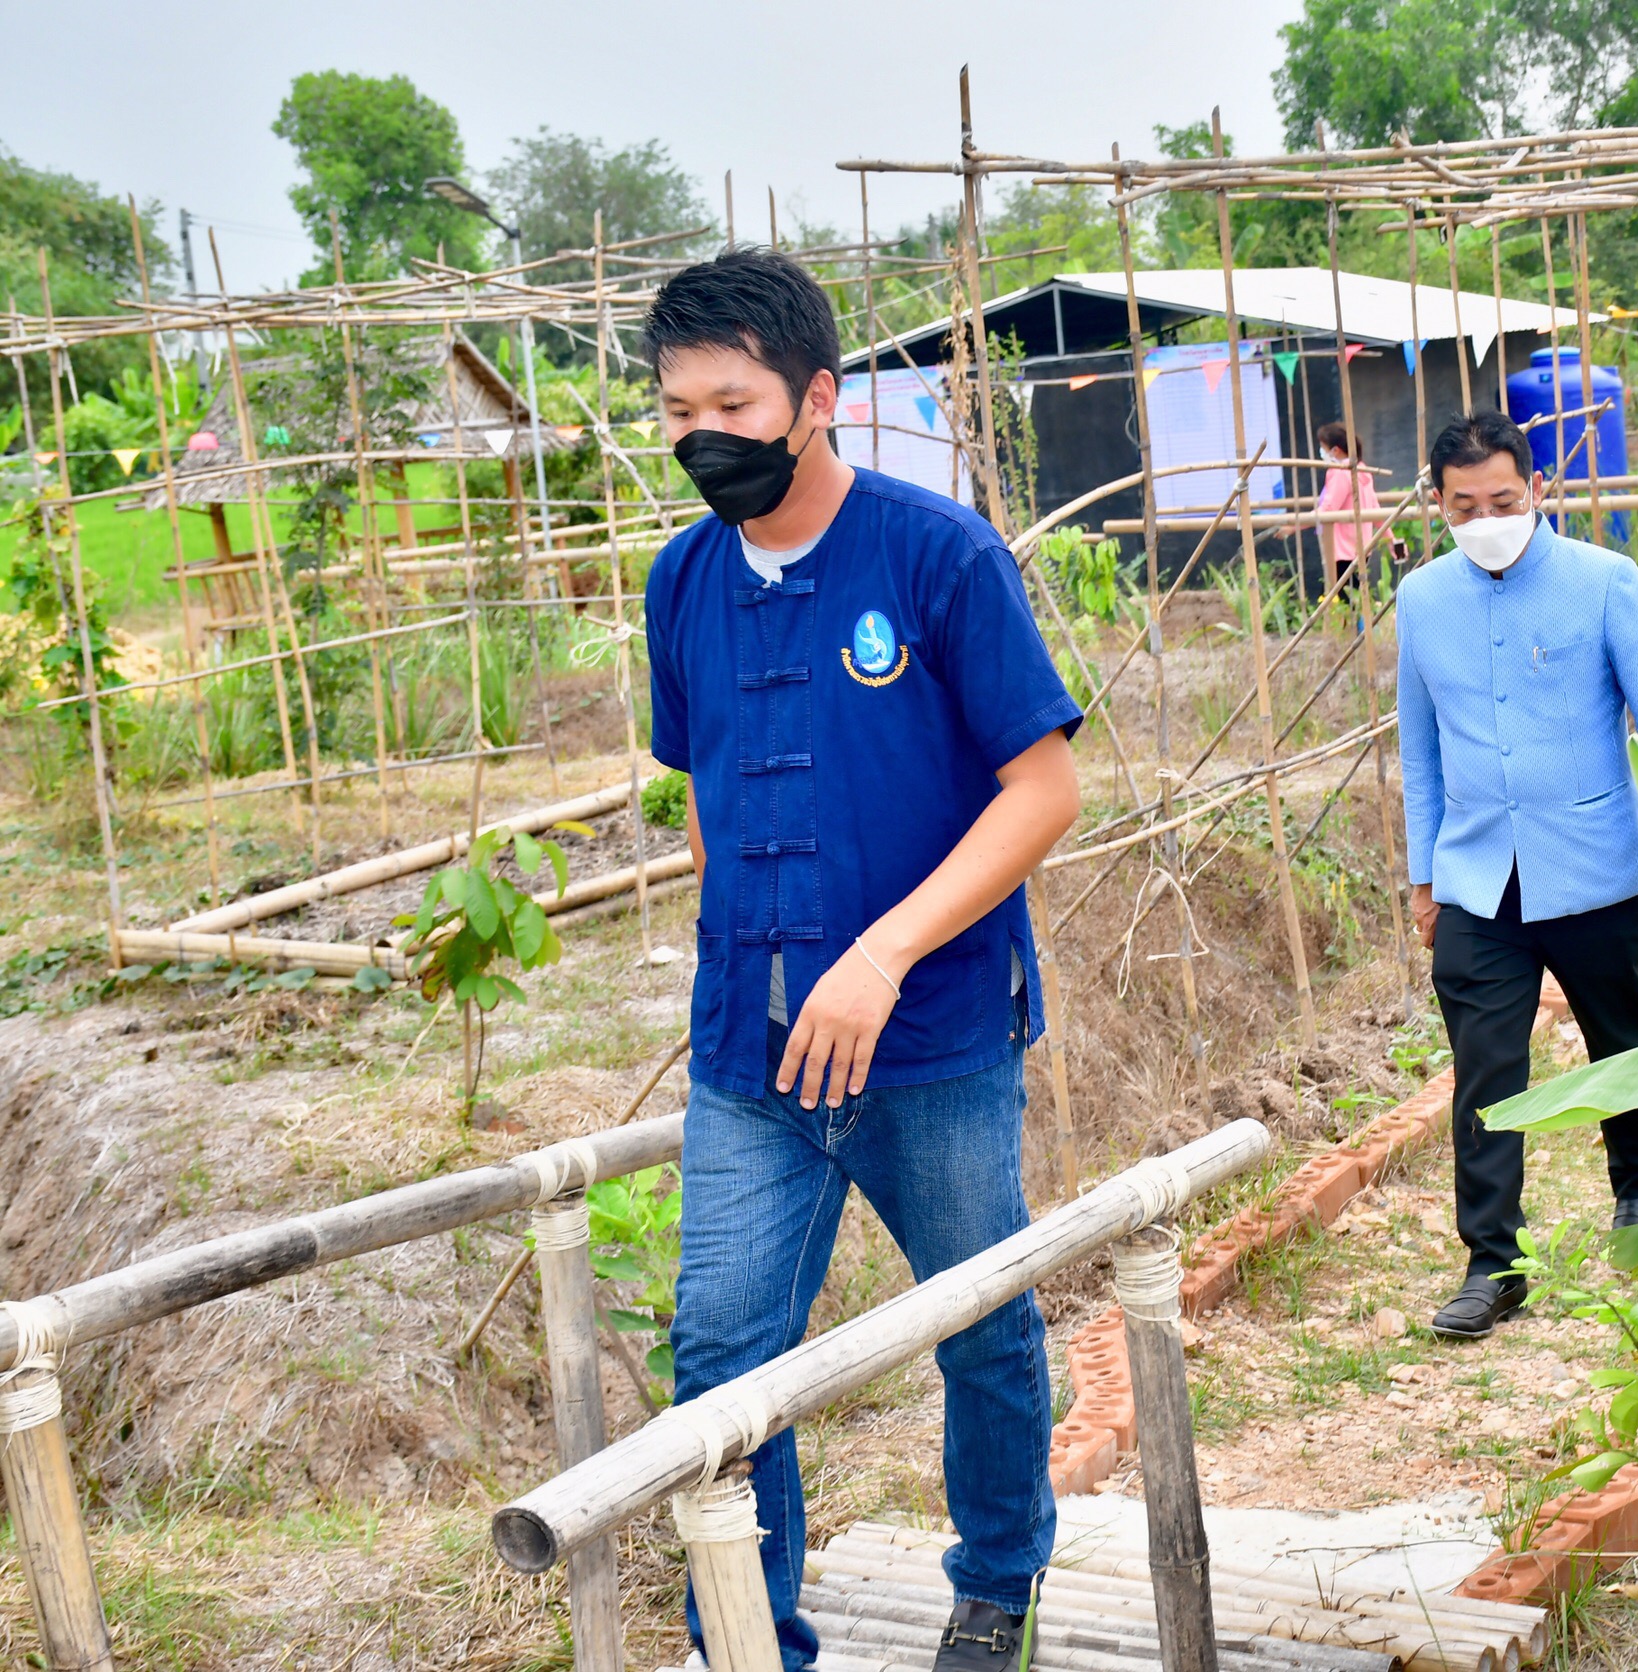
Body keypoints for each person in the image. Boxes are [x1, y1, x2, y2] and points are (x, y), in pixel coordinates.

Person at [642, 248, 1084, 1672]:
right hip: (751, 1056)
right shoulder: (681, 583)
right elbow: (707, 797)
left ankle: (999, 1581)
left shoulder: (934, 555)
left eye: (734, 400)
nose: (703, 434)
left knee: (979, 1326)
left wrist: (882, 952)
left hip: (934, 1035)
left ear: (816, 398)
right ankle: (747, 1627)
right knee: (720, 1356)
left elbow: (1042, 790)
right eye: (674, 408)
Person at [1396, 411, 1638, 1340]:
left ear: (1535, 491)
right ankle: (1495, 1261)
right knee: (1486, 1070)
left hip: (1595, 869)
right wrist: (1423, 880)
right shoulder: (1422, 598)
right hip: (1477, 880)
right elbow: (1419, 750)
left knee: (1625, 1040)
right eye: (1464, 504)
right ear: (1438, 504)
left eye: (1503, 498)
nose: (1486, 515)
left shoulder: (1604, 583)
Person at [1311, 419, 1385, 589]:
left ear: (1335, 450)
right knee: (1356, 596)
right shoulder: (1362, 469)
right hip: (1361, 547)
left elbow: (1328, 509)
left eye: (1323, 447)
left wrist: (1294, 525)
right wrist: (1391, 538)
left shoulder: (1340, 472)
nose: (1321, 452)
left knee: (1343, 600)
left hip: (1342, 549)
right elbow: (1375, 508)